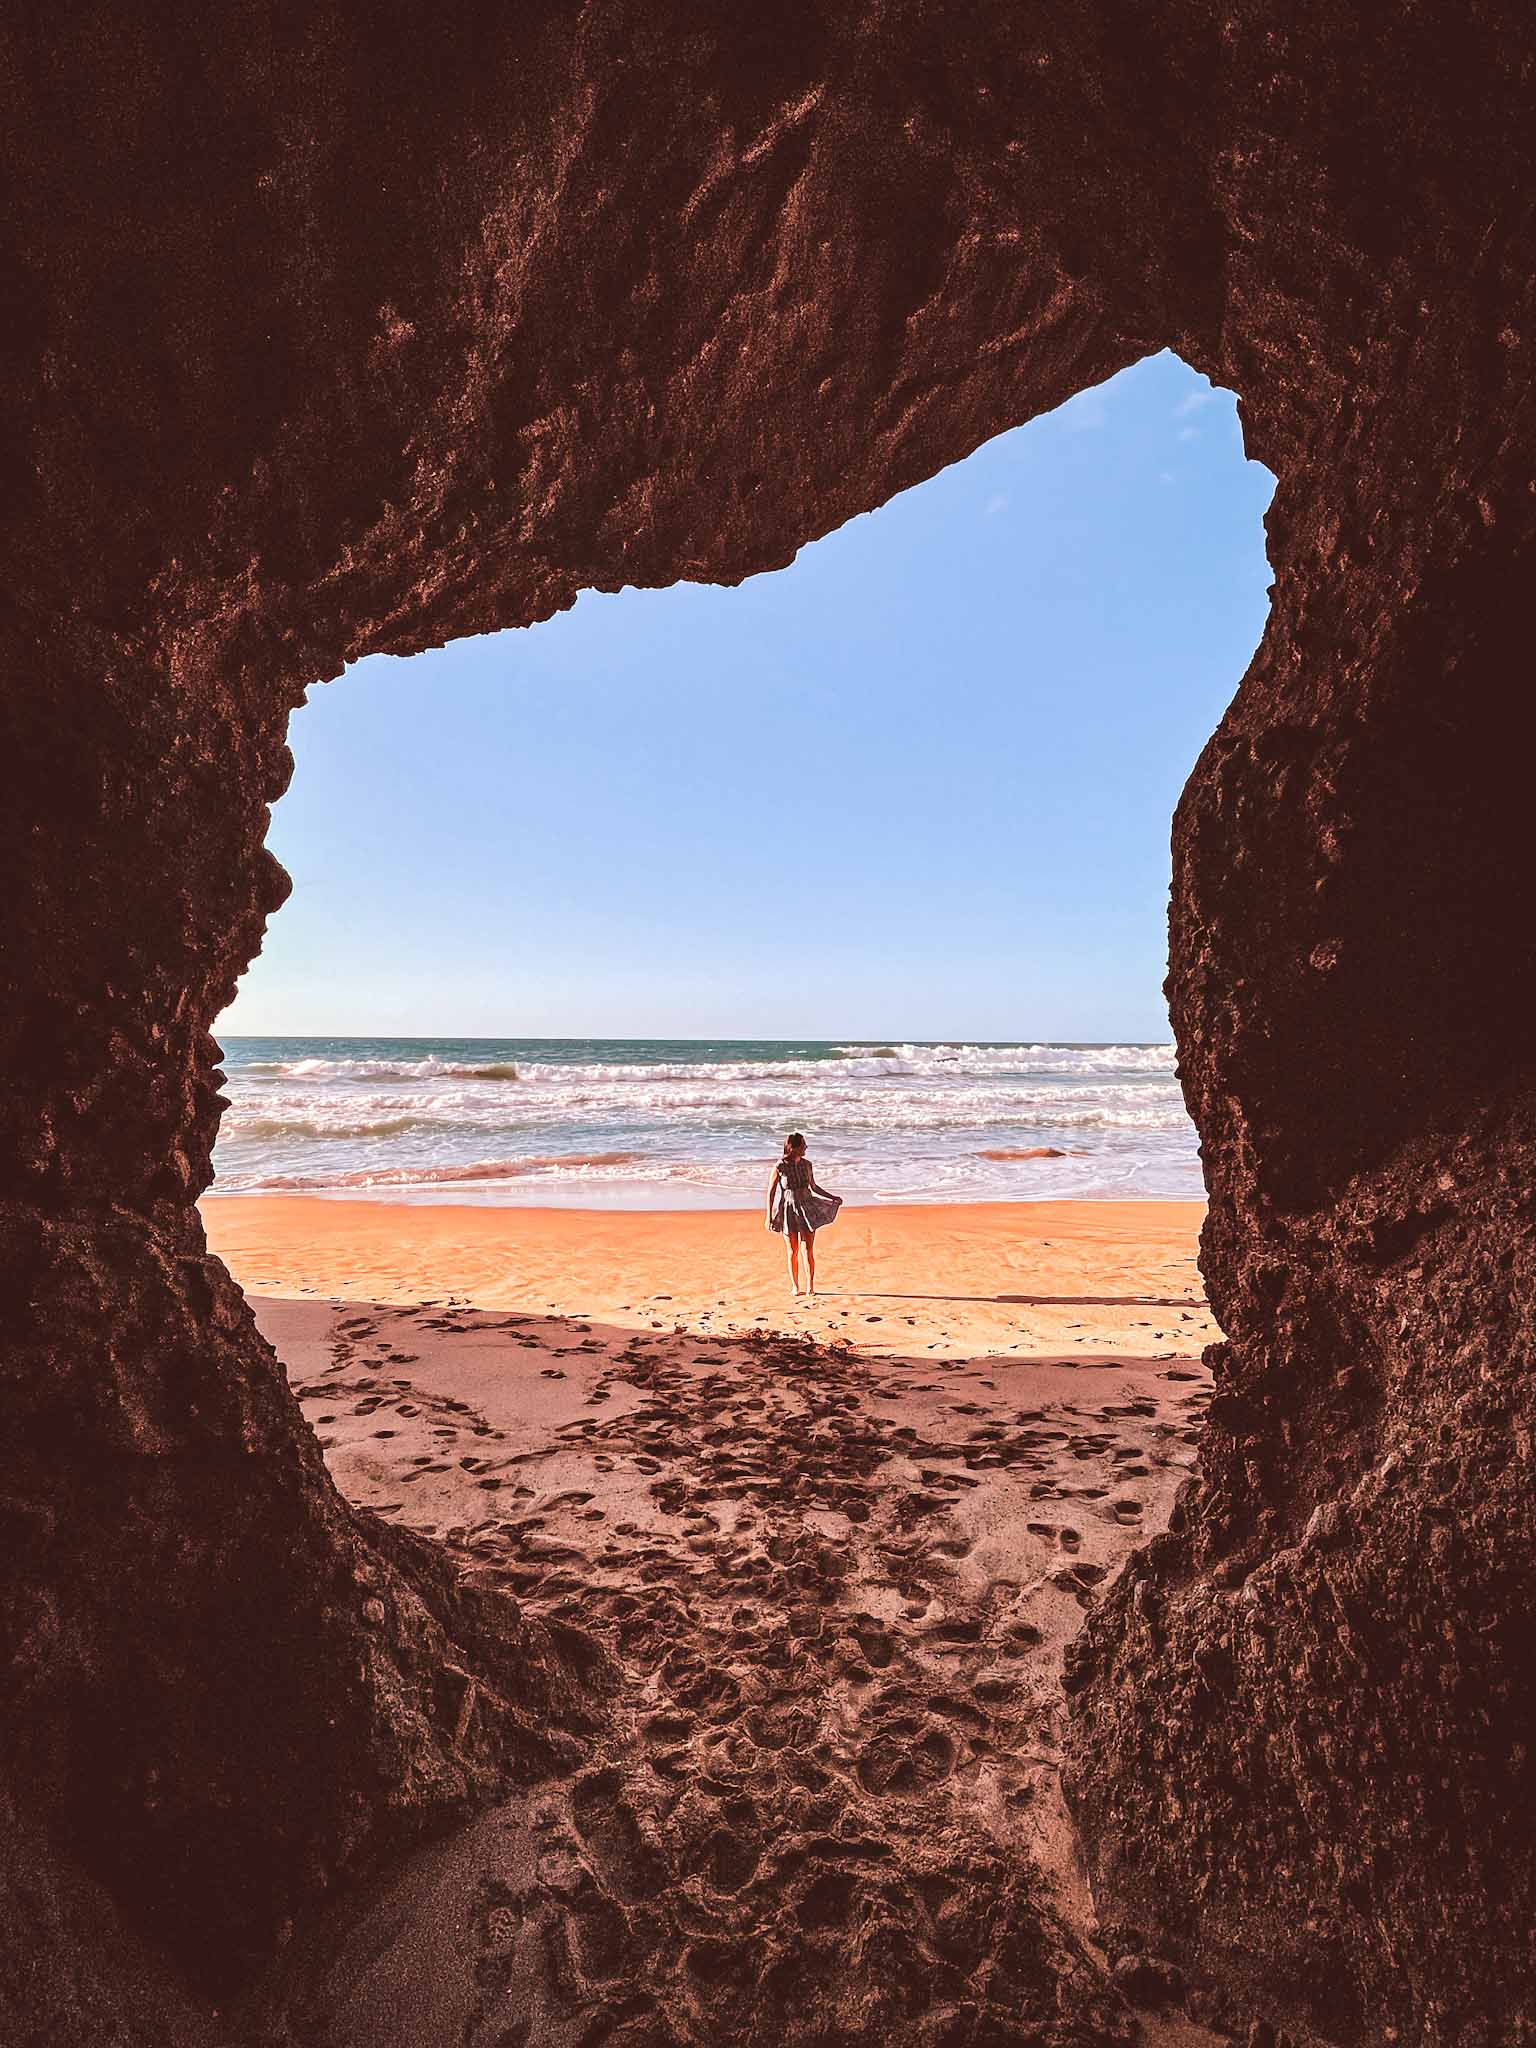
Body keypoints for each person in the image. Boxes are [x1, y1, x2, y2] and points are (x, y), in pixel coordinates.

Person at [764, 1131, 842, 1297]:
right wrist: (769, 1216)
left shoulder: (807, 1164)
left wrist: (832, 1197)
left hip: (807, 1207)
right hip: (788, 1210)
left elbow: (814, 1187)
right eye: (803, 1144)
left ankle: (810, 1287)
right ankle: (795, 1286)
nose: (806, 1147)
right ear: (793, 1148)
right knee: (792, 1251)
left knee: (807, 1249)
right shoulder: (780, 1166)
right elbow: (771, 1193)